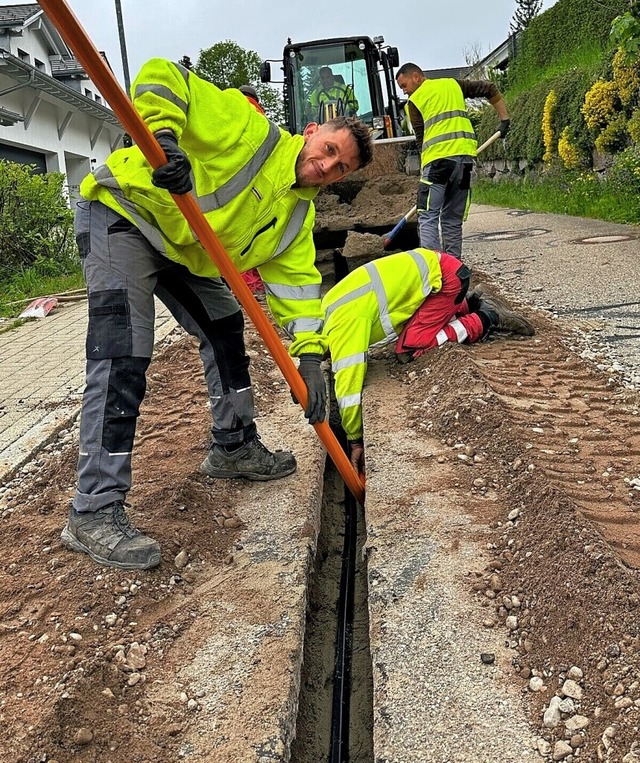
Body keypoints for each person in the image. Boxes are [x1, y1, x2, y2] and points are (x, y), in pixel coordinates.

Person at [61, 57, 373, 571]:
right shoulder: (249, 129)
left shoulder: (297, 217)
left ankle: (232, 446)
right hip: (125, 213)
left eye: (340, 168)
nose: (326, 166)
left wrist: (312, 360)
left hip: (182, 249)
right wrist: (165, 139)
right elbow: (163, 73)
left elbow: (299, 296)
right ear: (311, 132)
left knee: (226, 325)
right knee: (124, 353)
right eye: (328, 150)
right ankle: (93, 509)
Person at [321, 248, 534, 473]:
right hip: (438, 272)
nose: (328, 358)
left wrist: (355, 439)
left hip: (445, 280)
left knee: (410, 348)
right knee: (416, 323)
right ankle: (469, 302)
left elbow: (348, 387)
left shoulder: (341, 328)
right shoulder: (327, 306)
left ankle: (486, 316)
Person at [395, 63, 510, 259]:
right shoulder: (453, 84)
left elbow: (421, 139)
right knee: (452, 219)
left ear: (416, 77)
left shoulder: (415, 101)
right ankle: (454, 272)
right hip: (465, 161)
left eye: (404, 85)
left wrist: (425, 172)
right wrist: (504, 119)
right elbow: (489, 88)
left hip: (437, 162)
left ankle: (434, 271)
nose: (405, 92)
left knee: (428, 216)